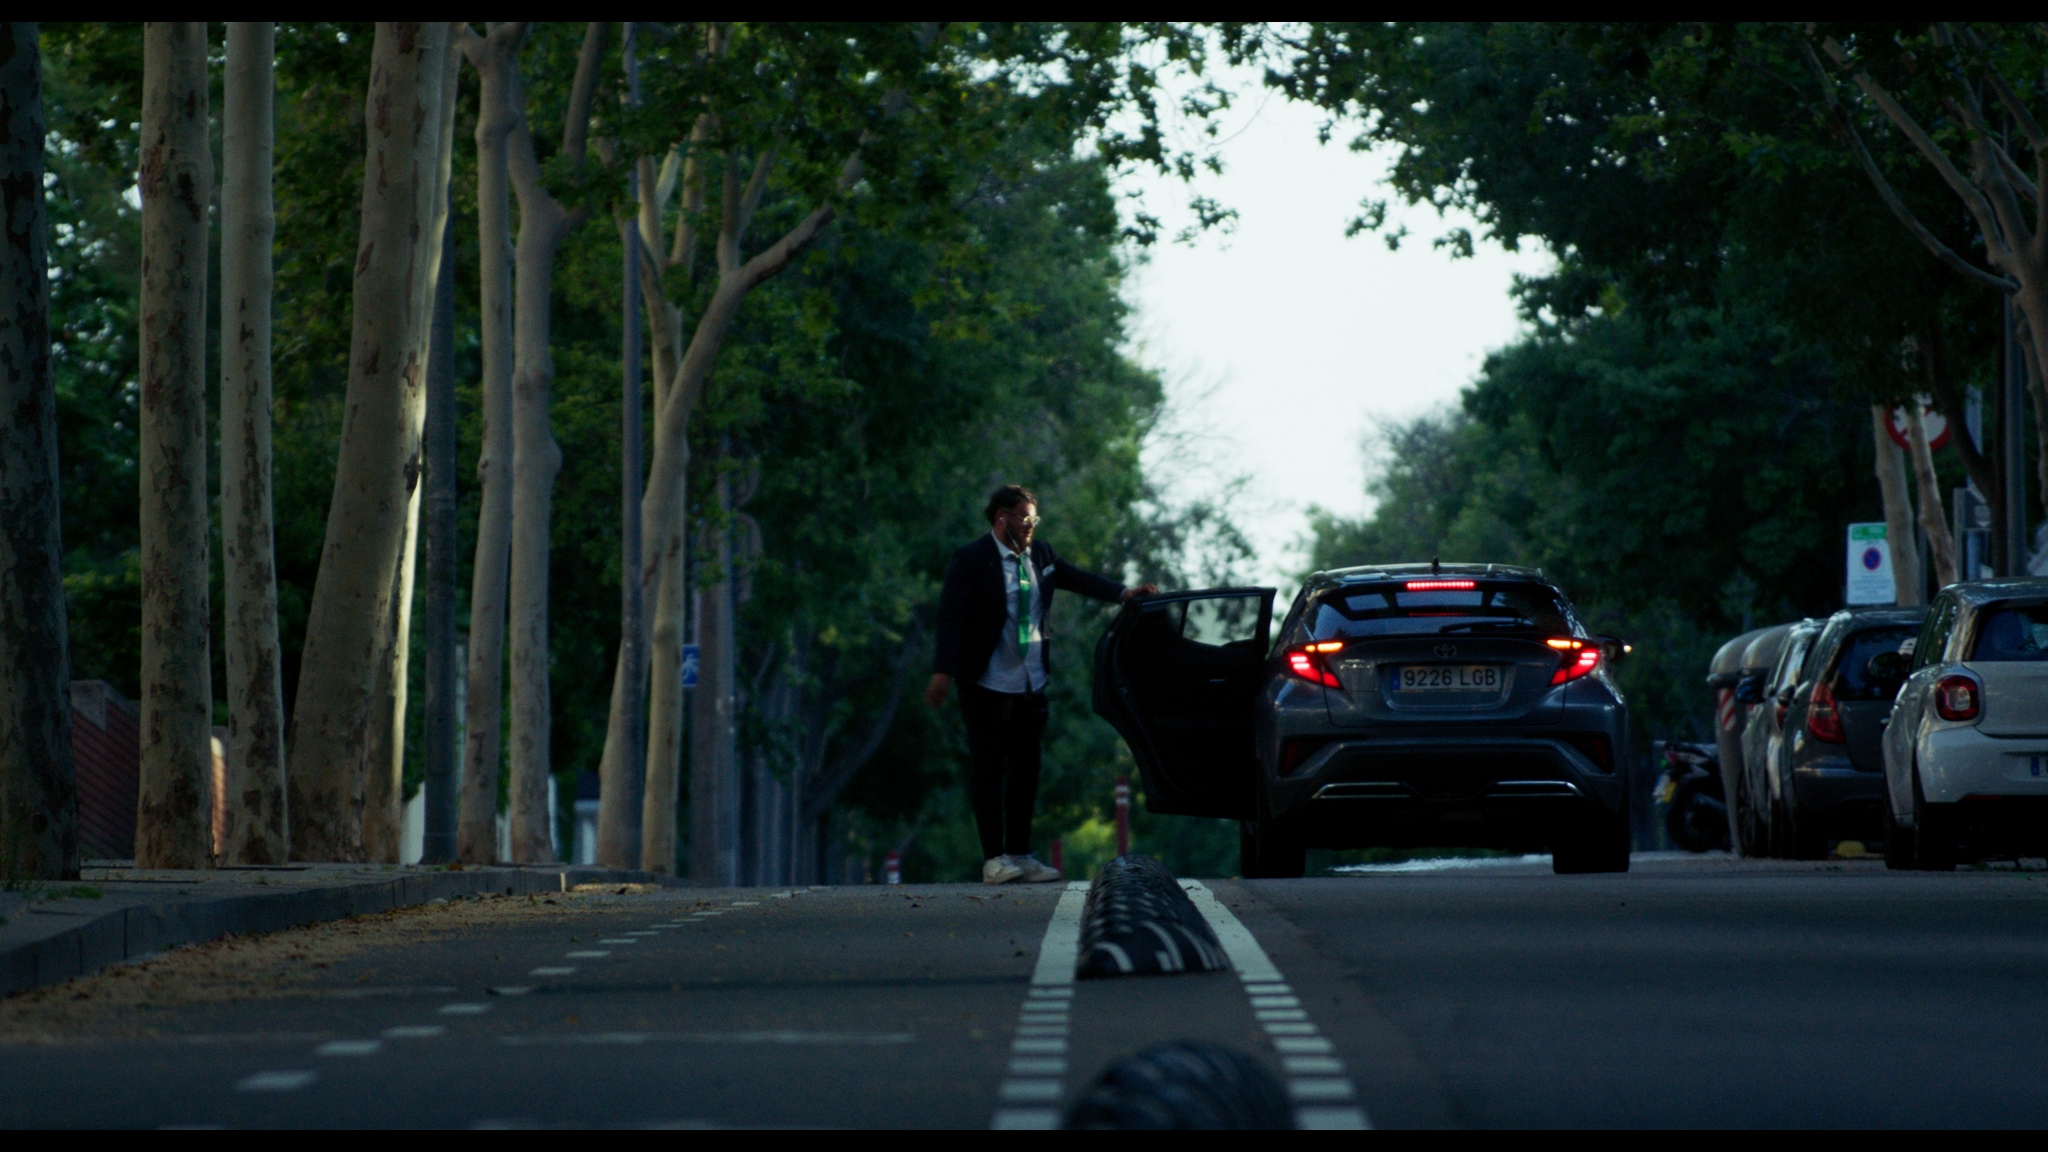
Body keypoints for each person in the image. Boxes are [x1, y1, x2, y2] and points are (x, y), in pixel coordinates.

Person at [928, 485, 1158, 884]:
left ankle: (1020, 853)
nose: (1031, 525)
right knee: (988, 768)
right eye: (1024, 518)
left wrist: (1124, 593)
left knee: (1026, 769)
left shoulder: (1042, 555)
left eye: (1034, 518)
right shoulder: (972, 559)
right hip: (986, 680)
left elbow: (1079, 579)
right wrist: (942, 672)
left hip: (1030, 679)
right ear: (1001, 518)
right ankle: (994, 859)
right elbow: (951, 616)